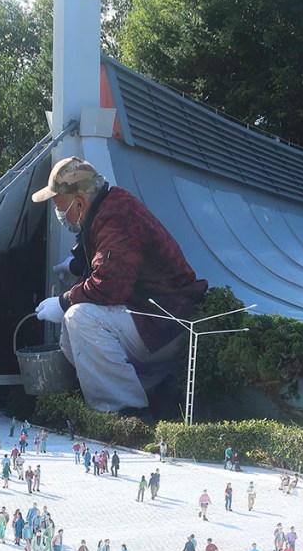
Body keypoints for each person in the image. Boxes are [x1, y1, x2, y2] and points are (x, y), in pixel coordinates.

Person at [32, 156, 208, 414]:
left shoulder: (118, 218)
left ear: (79, 202)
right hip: (157, 320)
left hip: (167, 325)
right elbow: (113, 260)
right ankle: (150, 388)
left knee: (80, 319)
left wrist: (63, 301)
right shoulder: (109, 207)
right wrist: (76, 266)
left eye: (59, 205)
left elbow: (111, 285)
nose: (59, 213)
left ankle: (125, 412)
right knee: (72, 337)